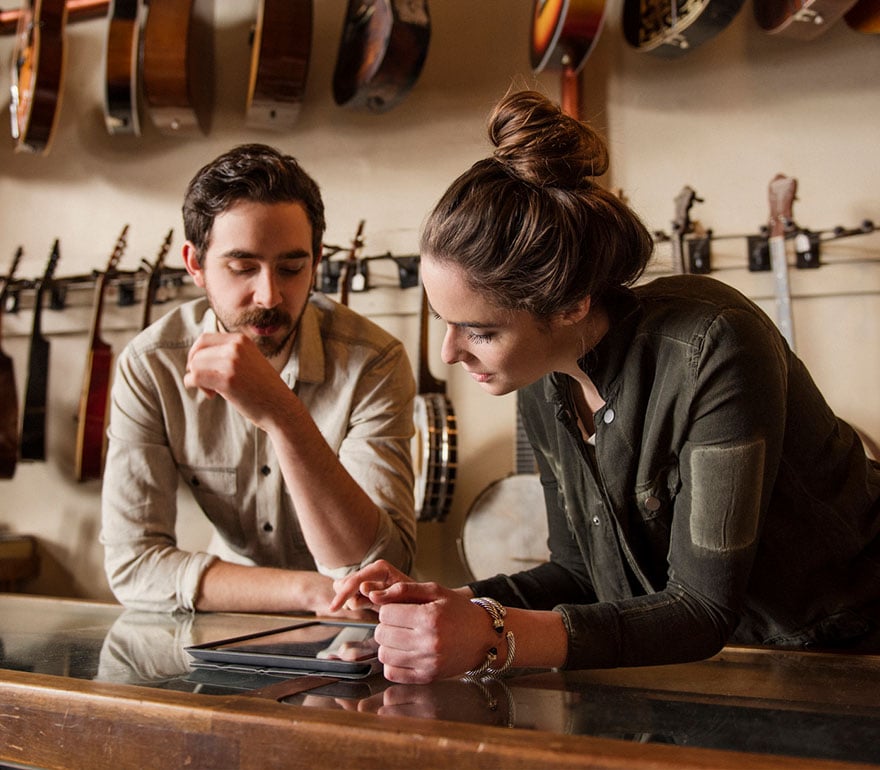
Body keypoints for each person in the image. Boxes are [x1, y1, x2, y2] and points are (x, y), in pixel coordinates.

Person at [331, 90, 880, 683]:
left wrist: (493, 635)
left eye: (480, 331)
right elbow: (579, 571)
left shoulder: (715, 346)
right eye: (445, 320)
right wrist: (440, 603)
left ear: (570, 304)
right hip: (740, 667)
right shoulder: (543, 378)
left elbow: (702, 609)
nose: (449, 352)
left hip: (853, 650)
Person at [101, 144, 417, 614]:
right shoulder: (150, 366)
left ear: (315, 260)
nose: (270, 295)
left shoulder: (374, 361)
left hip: (359, 632)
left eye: (292, 268)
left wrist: (283, 415)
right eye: (242, 267)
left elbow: (379, 568)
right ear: (195, 265)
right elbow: (133, 564)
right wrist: (307, 591)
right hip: (228, 616)